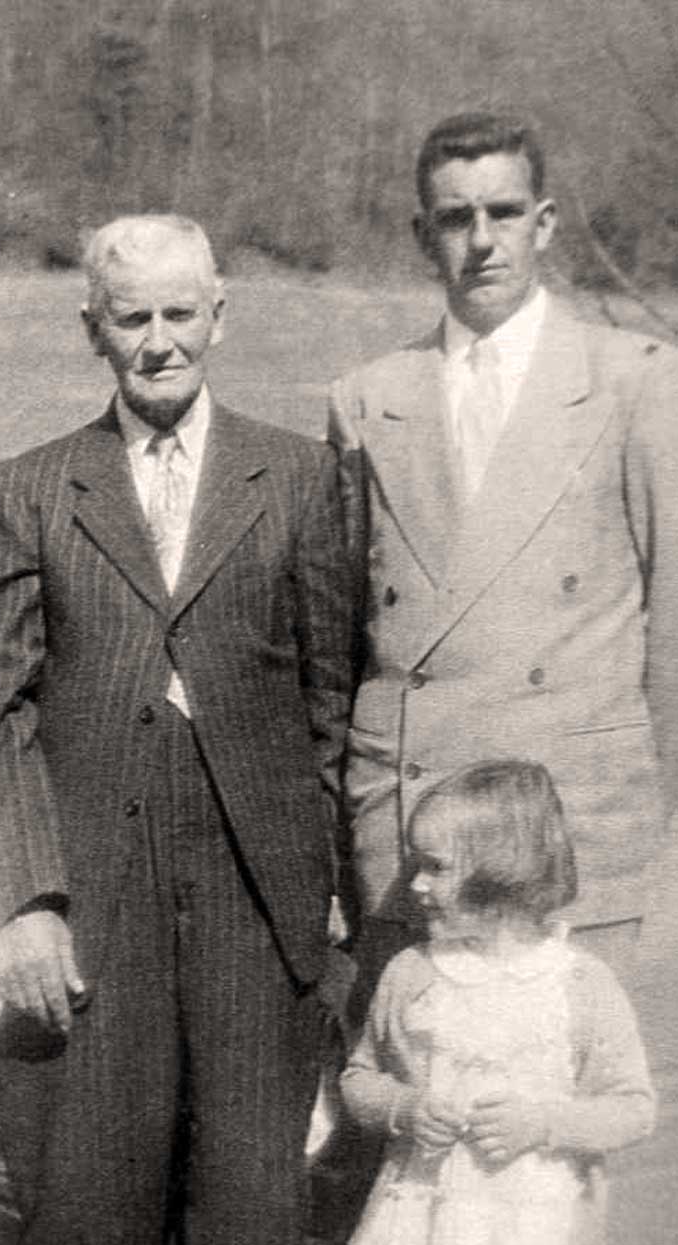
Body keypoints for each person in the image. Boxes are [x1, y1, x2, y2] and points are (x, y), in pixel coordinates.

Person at [0, 212, 352, 1245]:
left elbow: (327, 698)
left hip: (252, 891)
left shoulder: (299, 476)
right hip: (94, 890)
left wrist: (314, 886)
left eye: (181, 312)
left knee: (247, 1209)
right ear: (92, 327)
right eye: (132, 317)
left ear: (220, 315)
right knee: (87, 1200)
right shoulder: (35, 486)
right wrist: (28, 903)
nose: (159, 340)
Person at [327, 111, 678, 1005]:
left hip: (573, 837)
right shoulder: (368, 399)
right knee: (425, 1120)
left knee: (564, 1125)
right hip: (418, 841)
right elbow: (340, 643)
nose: (481, 242)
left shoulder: (634, 380)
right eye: (454, 219)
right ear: (421, 235)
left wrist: (661, 842)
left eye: (505, 213)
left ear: (546, 222)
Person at [341, 760, 655, 1245]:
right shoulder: (412, 973)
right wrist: (406, 1109)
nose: (416, 884)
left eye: (435, 867)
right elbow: (359, 1079)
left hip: (537, 1225)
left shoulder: (579, 982)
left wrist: (543, 1123)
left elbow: (633, 1109)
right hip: (420, 1217)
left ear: (502, 872)